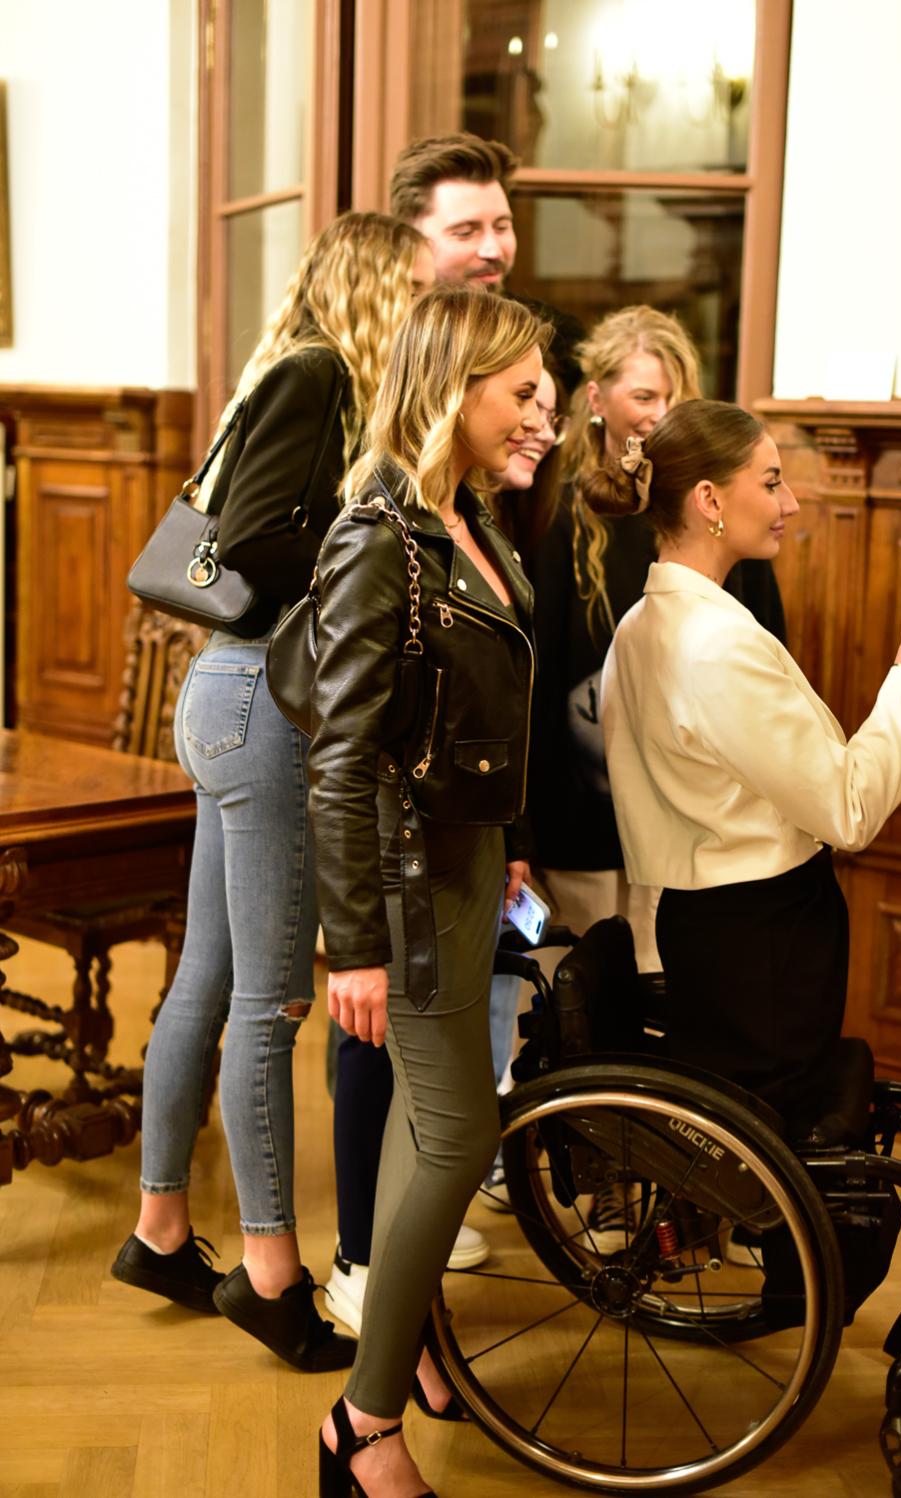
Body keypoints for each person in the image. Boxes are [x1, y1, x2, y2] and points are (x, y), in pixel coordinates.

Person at [111, 212, 434, 1375]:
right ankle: (269, 1274)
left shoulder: (290, 368)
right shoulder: (319, 375)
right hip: (262, 705)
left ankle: (159, 1230)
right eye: (412, 286)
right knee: (269, 1002)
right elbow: (250, 543)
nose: (421, 309)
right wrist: (371, 551)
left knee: (208, 975)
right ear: (374, 289)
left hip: (228, 694)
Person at [310, 283, 547, 1498]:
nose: (542, 416)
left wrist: (508, 840)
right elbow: (340, 758)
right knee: (458, 1136)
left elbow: (479, 702)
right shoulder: (379, 532)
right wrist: (350, 943)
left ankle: (405, 1348)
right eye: (522, 394)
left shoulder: (471, 518)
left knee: (427, 1126)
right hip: (405, 884)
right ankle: (361, 1427)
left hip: (466, 862)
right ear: (452, 391)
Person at [600, 399, 901, 1133]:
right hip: (764, 935)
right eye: (772, 481)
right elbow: (849, 811)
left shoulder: (641, 624)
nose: (792, 502)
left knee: (746, 1132)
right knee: (775, 1138)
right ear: (710, 499)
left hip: (707, 922)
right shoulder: (714, 643)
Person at [529, 305, 785, 975]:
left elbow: (768, 649)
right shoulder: (557, 509)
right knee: (582, 989)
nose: (660, 413)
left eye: (674, 397)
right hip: (581, 819)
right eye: (644, 396)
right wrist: (524, 828)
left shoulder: (716, 509)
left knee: (666, 984)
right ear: (597, 400)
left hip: (691, 816)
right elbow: (537, 677)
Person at [389, 130, 584, 391]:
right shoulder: (377, 341)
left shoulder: (558, 342)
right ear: (412, 239)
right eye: (465, 232)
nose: (493, 250)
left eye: (502, 227)